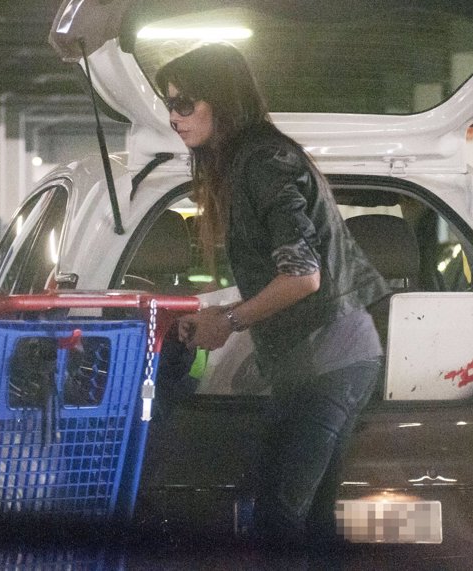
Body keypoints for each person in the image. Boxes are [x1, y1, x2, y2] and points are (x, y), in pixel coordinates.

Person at [156, 43, 389, 547]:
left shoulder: (262, 161)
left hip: (328, 359)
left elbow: (303, 277)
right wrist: (221, 313)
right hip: (322, 358)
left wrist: (229, 322)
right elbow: (289, 275)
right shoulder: (254, 159)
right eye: (169, 104)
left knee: (277, 519)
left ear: (221, 99)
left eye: (184, 103)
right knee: (309, 522)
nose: (173, 117)